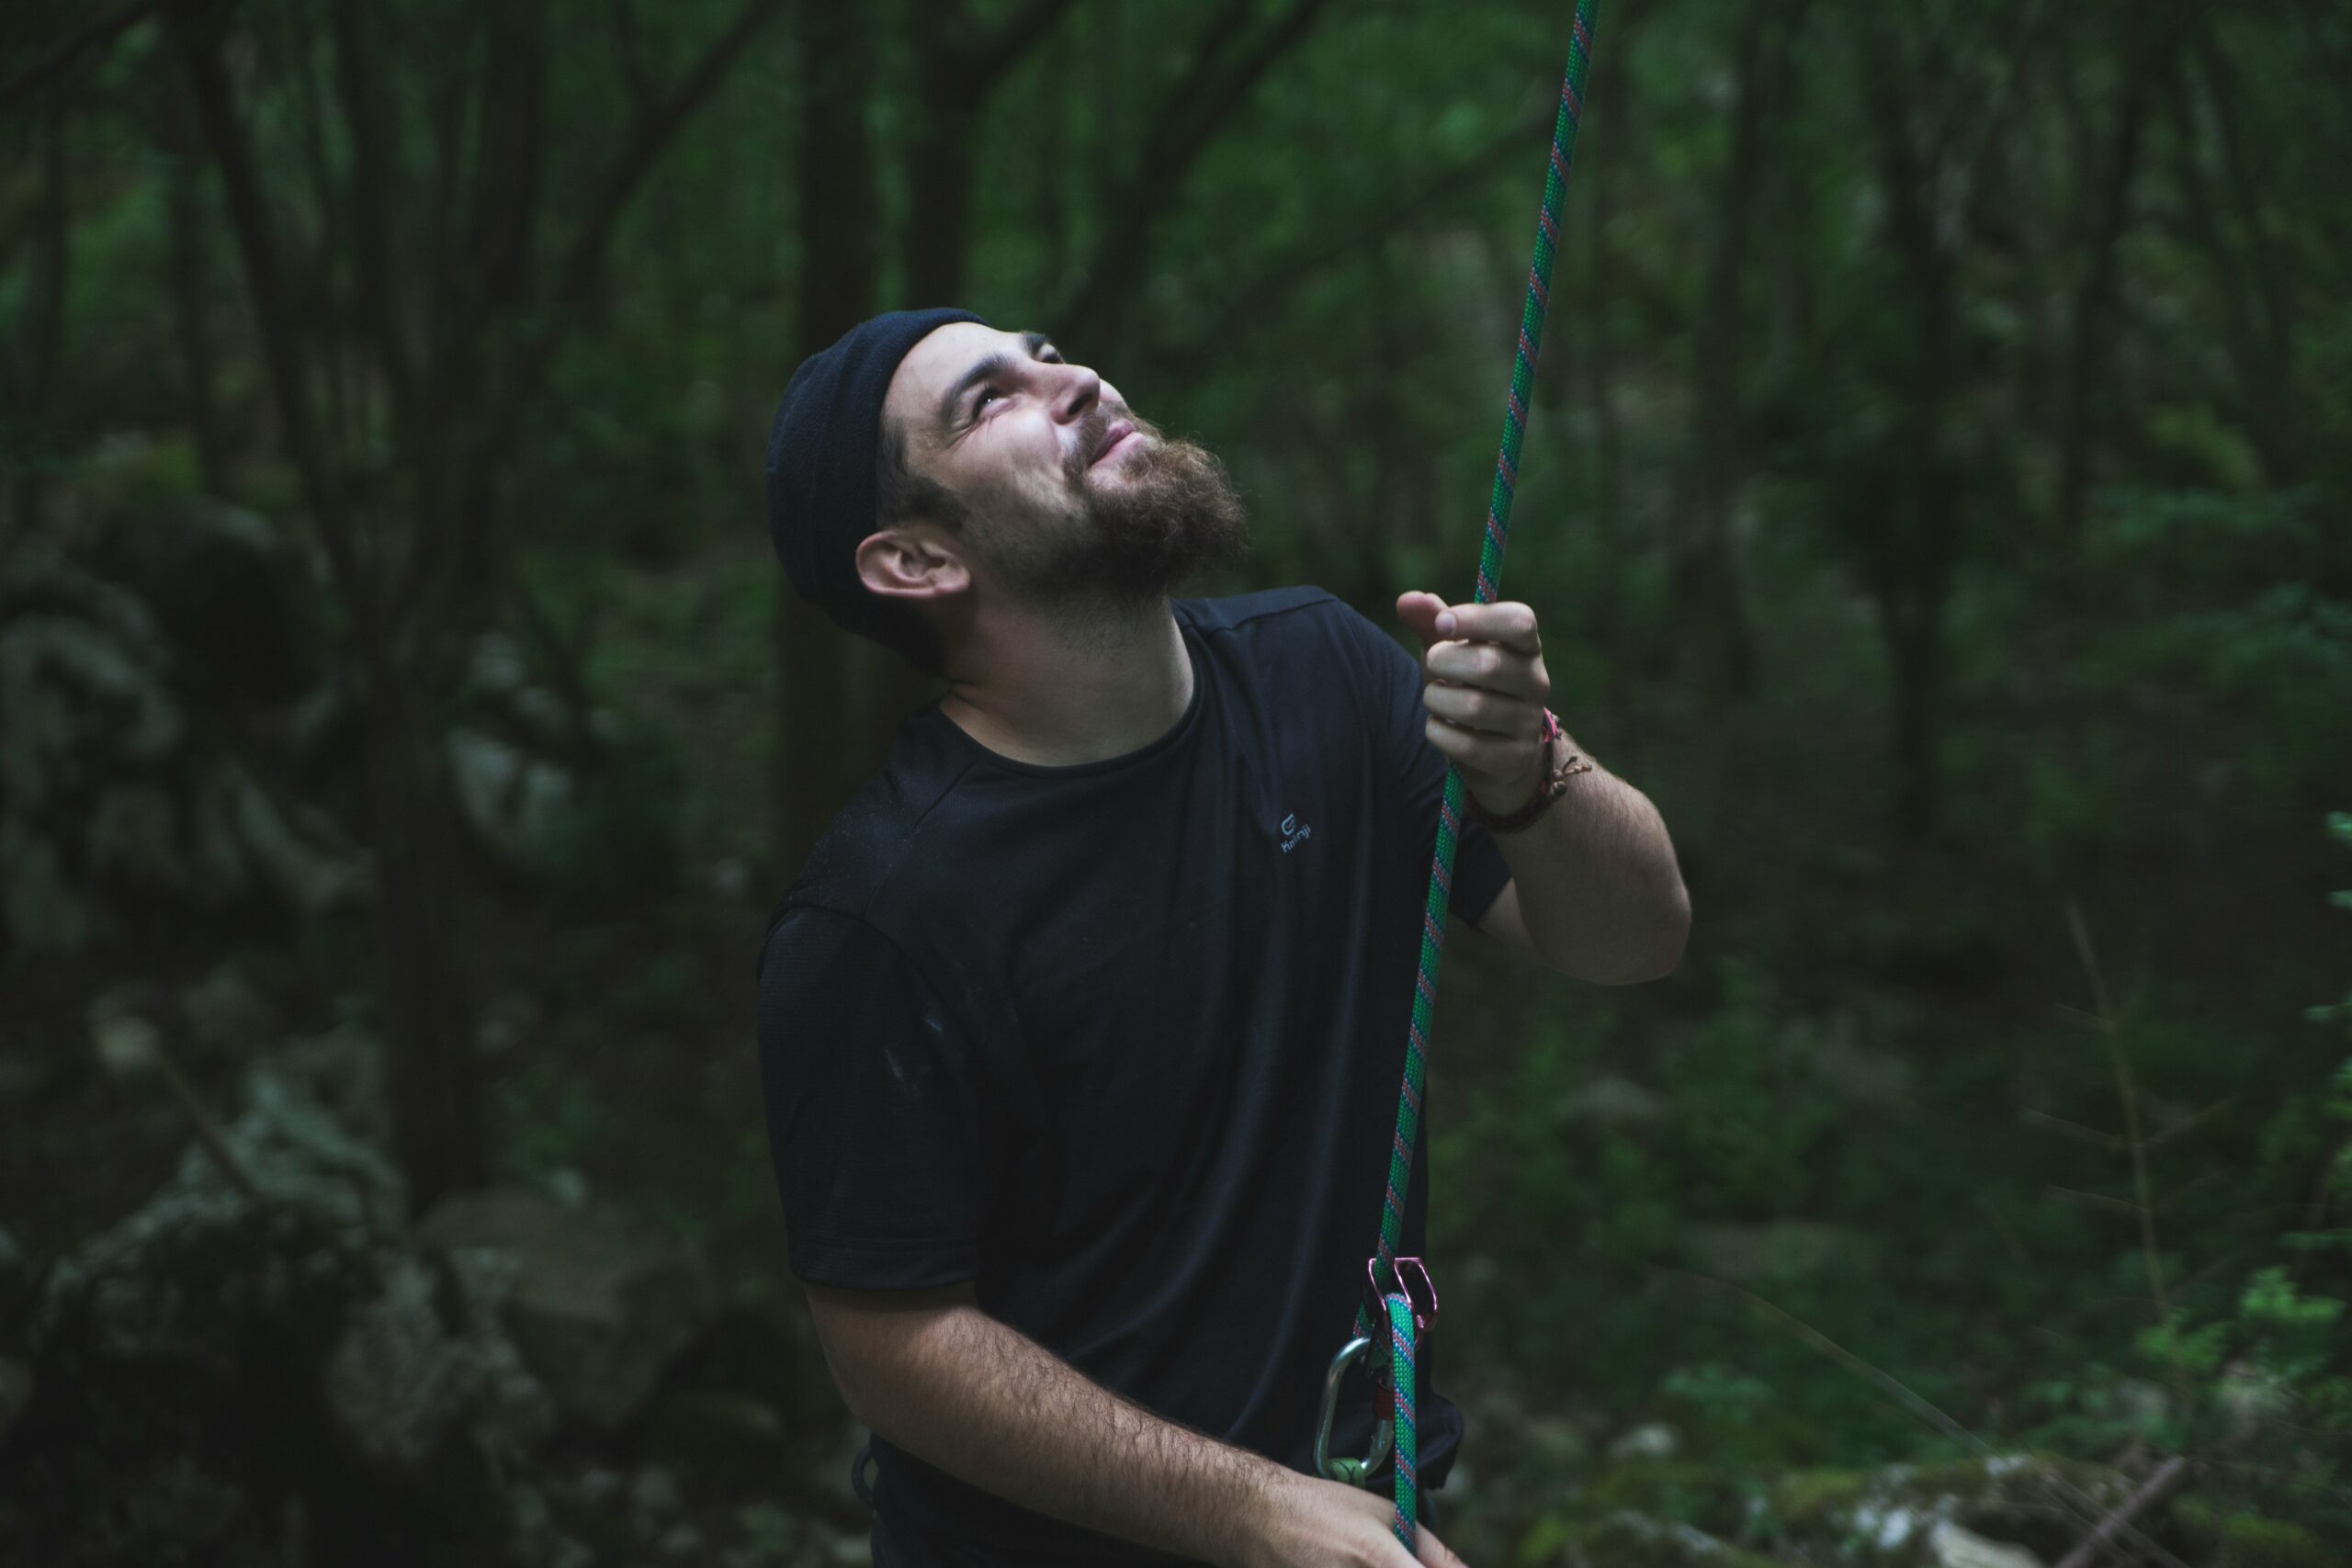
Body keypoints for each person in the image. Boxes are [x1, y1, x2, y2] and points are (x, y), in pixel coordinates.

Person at [754, 308, 1690, 1568]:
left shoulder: (1325, 674)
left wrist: (1530, 771)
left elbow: (1632, 939)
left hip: (1355, 1524)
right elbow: (889, 1339)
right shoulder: (883, 912)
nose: (1072, 375)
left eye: (1047, 348)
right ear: (915, 560)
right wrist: (1252, 1509)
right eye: (992, 399)